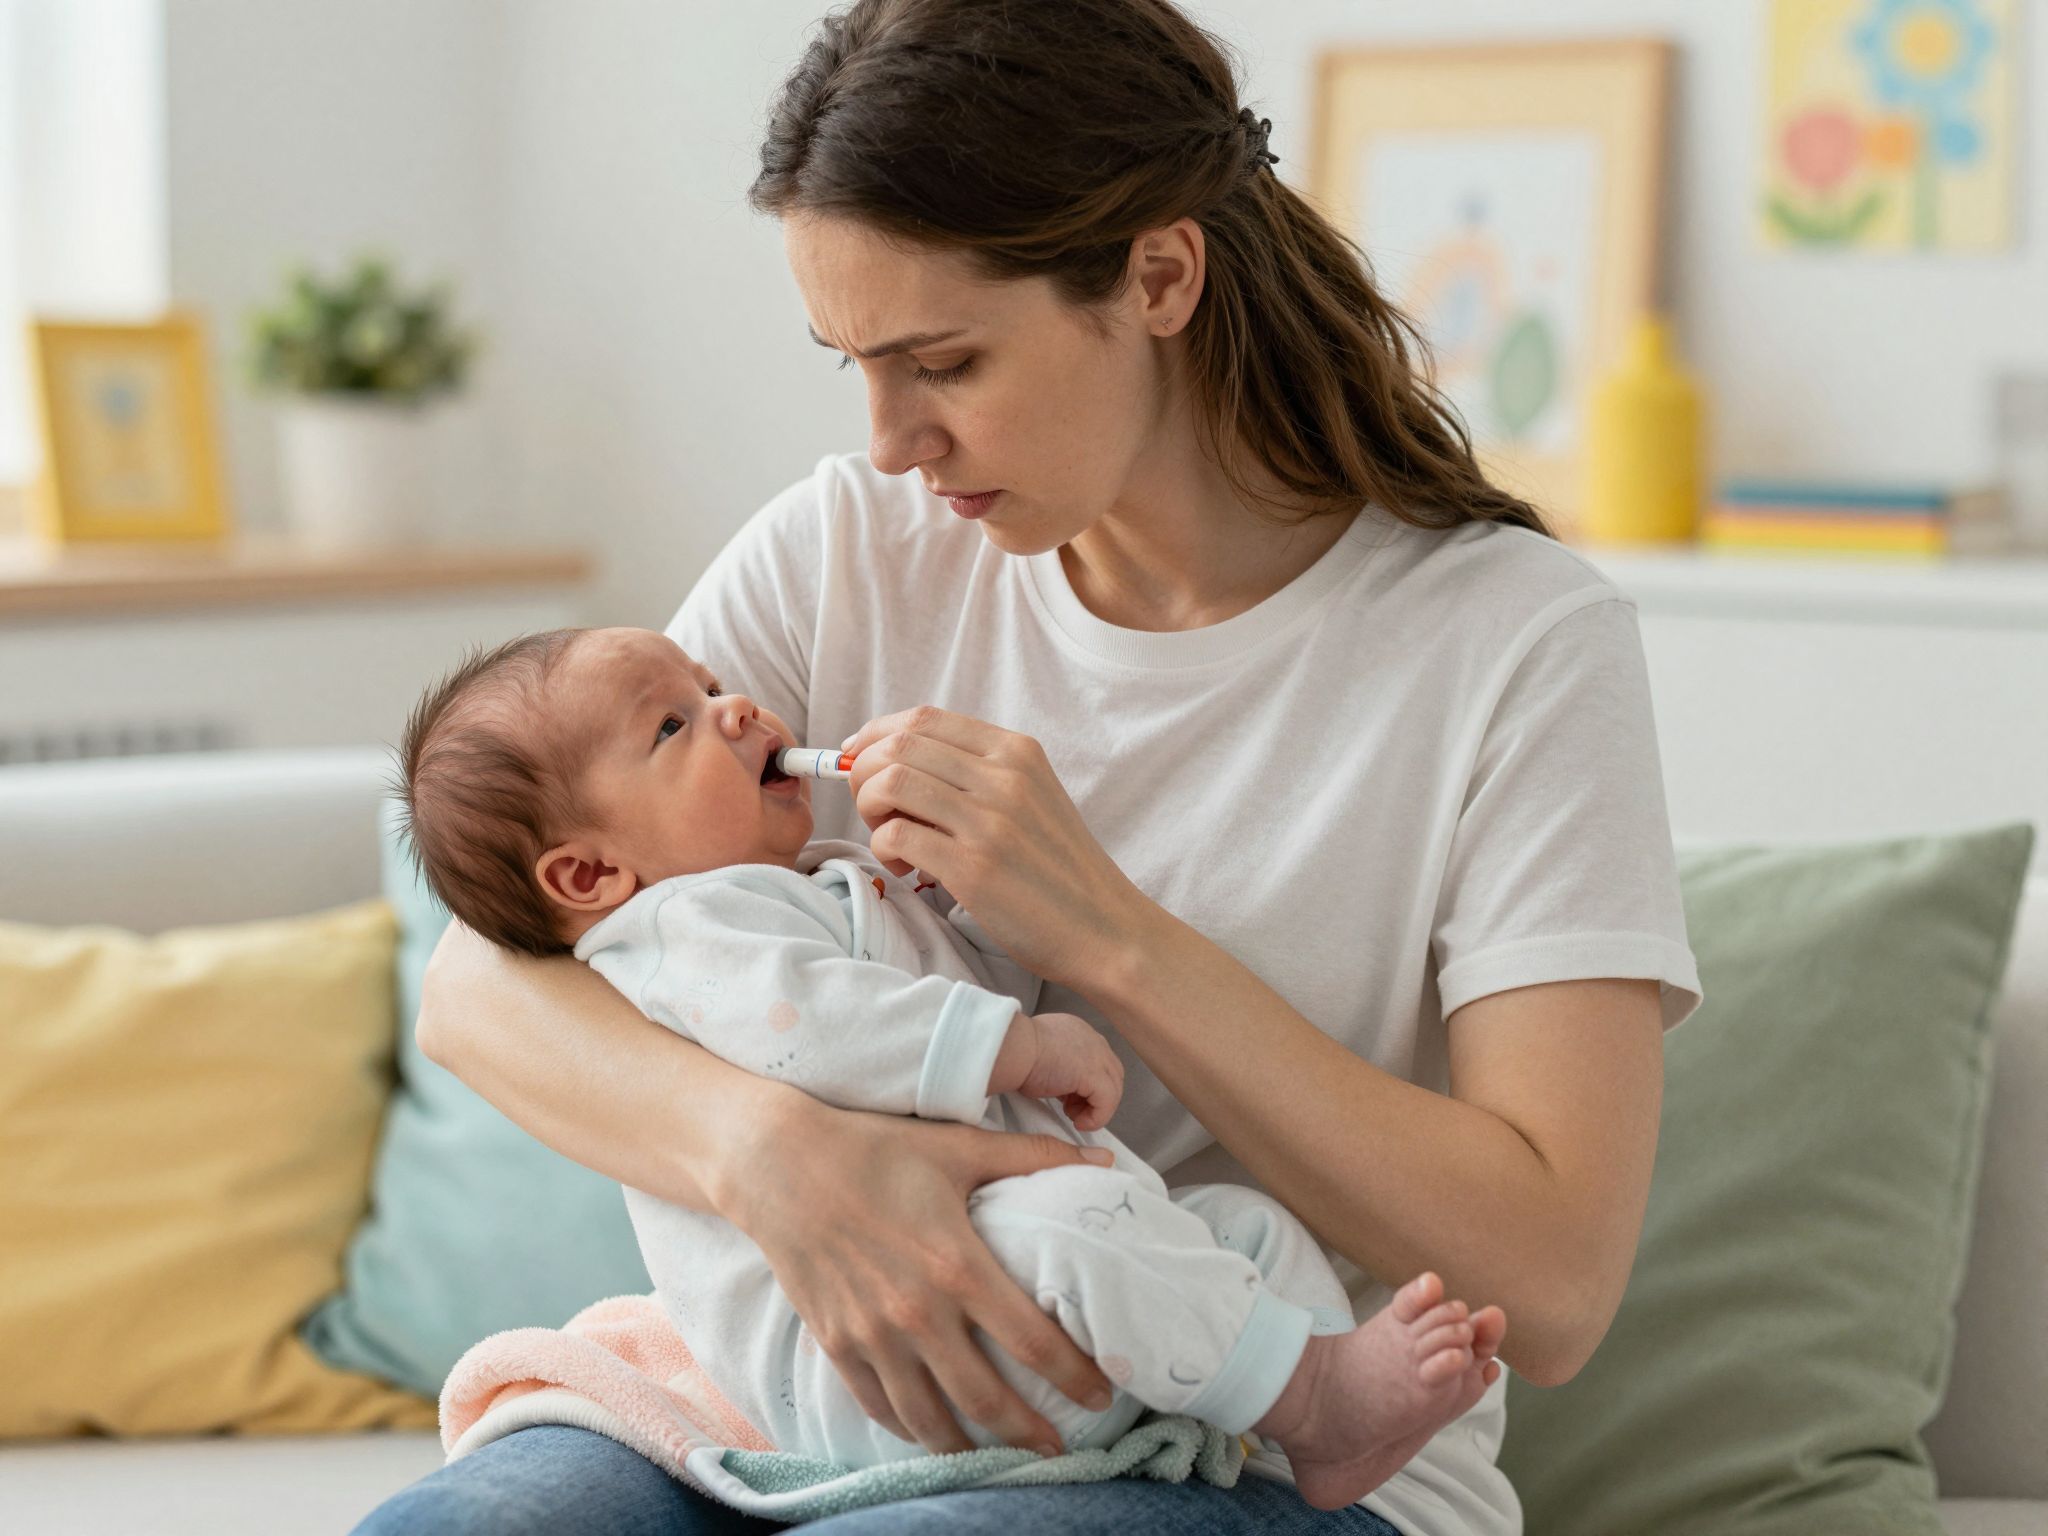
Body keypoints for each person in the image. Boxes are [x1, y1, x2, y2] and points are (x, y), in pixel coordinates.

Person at [355, 1, 1700, 1531]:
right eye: (852, 361)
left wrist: (1107, 937)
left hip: (1251, 1445)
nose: (889, 444)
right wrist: (771, 1156)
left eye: (943, 360)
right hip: (802, 1400)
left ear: (1161, 275)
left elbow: (1557, 1277)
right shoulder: (846, 552)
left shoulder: (1512, 646)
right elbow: (484, 986)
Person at [394, 622, 1506, 1509]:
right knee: (1083, 1231)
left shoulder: (812, 885)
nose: (736, 708)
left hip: (1019, 1293)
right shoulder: (686, 928)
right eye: (674, 725)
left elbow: (943, 1002)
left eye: (713, 681)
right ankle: (1307, 1396)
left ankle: (1311, 1403)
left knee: (1239, 1231)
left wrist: (963, 906)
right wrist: (1024, 1044)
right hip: (880, 1362)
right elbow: (818, 1025)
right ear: (589, 876)